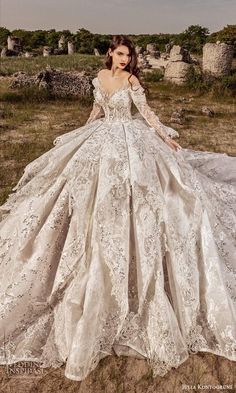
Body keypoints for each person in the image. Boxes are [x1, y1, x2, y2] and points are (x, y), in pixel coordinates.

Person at [0, 34, 235, 382]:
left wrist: (165, 137)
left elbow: (147, 113)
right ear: (110, 53)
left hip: (132, 141)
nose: (124, 60)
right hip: (101, 138)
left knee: (146, 196)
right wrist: (80, 135)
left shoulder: (131, 80)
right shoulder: (99, 77)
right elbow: (96, 110)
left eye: (129, 55)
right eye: (120, 54)